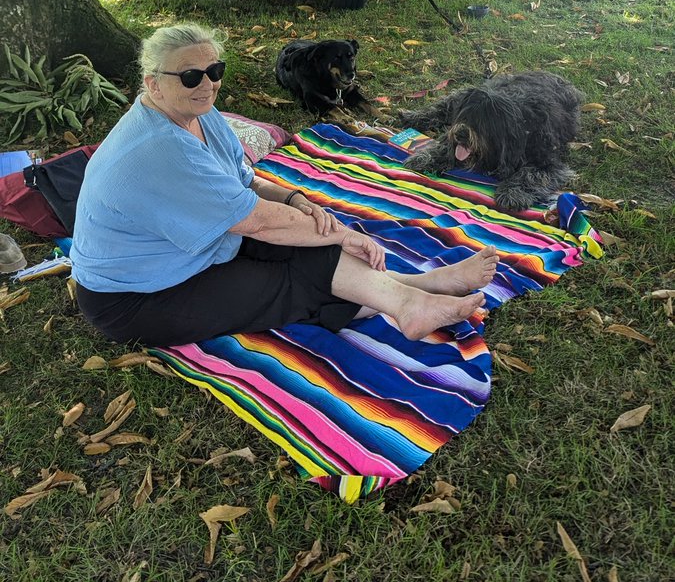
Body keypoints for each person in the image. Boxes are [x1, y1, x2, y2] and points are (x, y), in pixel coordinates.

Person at [71, 23, 497, 346]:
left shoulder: (200, 115)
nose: (207, 84)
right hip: (136, 297)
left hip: (198, 246)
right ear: (152, 84)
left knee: (313, 242)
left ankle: (413, 294)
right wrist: (340, 232)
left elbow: (245, 184)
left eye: (214, 70)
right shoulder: (158, 150)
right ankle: (408, 303)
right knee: (291, 279)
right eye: (190, 76)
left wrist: (295, 198)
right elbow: (257, 222)